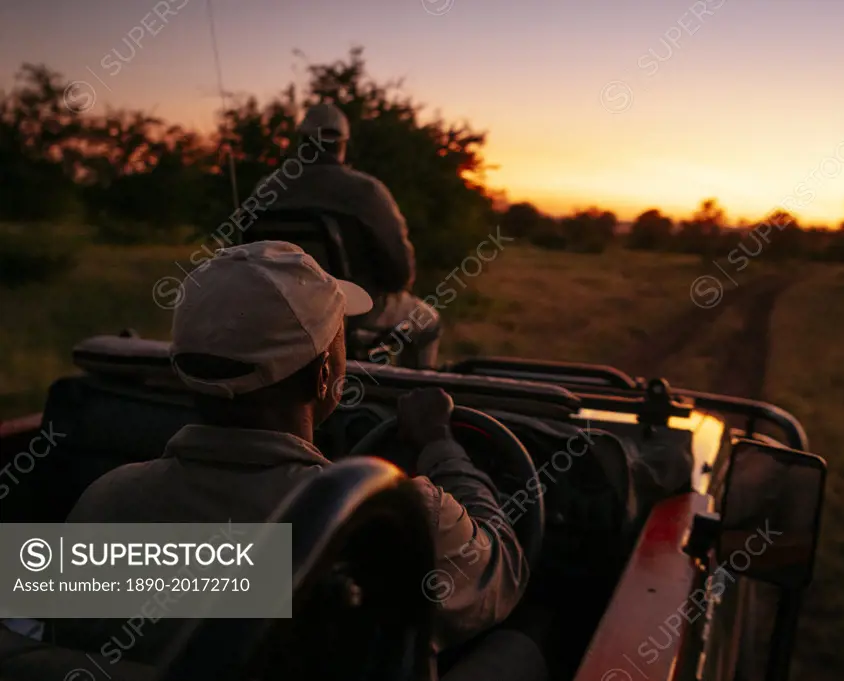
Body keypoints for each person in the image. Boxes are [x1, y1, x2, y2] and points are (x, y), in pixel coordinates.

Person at [60, 241, 528, 662]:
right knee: (517, 650)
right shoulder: (396, 520)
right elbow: (501, 572)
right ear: (325, 373)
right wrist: (441, 445)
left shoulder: (104, 502)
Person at [253, 102, 442, 367]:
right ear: (342, 145)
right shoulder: (367, 191)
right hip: (352, 315)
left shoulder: (266, 189)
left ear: (302, 142)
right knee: (429, 321)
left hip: (276, 314)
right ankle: (414, 400)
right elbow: (401, 274)